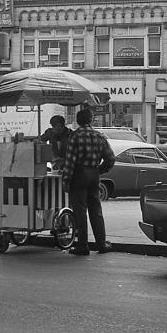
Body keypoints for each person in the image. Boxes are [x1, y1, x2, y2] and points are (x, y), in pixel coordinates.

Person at [60, 108, 116, 256]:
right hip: (94, 175)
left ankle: (82, 245)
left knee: (80, 211)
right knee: (96, 210)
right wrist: (99, 170)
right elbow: (111, 158)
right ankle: (101, 244)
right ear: (91, 120)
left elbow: (70, 162)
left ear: (78, 121)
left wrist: (66, 180)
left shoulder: (75, 136)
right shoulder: (99, 136)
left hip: (78, 175)